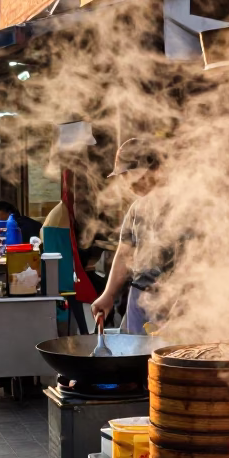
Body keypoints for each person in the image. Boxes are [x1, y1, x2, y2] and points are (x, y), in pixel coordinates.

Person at [90, 138, 169, 334]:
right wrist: (108, 294)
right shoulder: (137, 208)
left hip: (173, 302)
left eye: (131, 176)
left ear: (154, 171)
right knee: (133, 356)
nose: (128, 185)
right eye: (124, 177)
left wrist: (180, 312)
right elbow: (124, 252)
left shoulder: (185, 205)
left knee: (167, 361)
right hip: (138, 297)